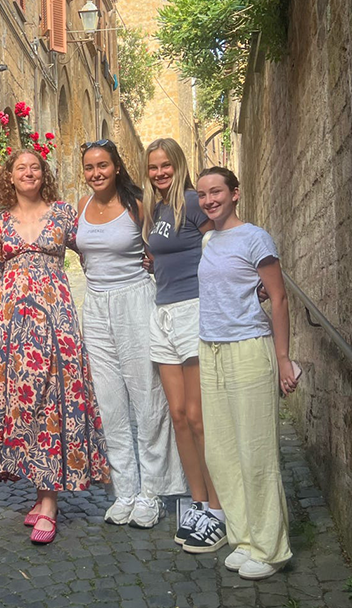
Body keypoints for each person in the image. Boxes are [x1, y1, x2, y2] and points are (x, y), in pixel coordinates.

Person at [0, 149, 109, 545]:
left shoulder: (63, 215)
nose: (28, 173)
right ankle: (40, 495)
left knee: (55, 399)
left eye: (35, 167)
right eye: (20, 167)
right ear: (9, 176)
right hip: (11, 325)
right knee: (23, 402)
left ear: (44, 175)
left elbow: (94, 248)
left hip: (56, 321)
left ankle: (50, 502)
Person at [76, 140, 187, 527]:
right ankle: (124, 490)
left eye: (103, 165)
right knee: (109, 401)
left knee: (147, 397)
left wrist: (154, 262)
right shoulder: (82, 208)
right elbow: (85, 254)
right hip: (96, 305)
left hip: (136, 301)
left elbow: (159, 243)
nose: (96, 173)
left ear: (117, 167)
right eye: (89, 167)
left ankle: (152, 492)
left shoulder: (138, 204)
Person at [196, 166, 298, 578]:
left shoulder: (256, 238)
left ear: (235, 193)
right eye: (203, 194)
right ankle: (244, 537)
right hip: (211, 349)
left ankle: (271, 549)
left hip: (249, 351)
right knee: (221, 452)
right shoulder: (208, 239)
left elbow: (278, 298)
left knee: (257, 453)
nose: (209, 200)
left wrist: (284, 357)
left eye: (216, 191)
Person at [141, 138, 225, 548]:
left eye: (165, 166)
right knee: (177, 414)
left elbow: (217, 244)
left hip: (193, 310)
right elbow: (162, 252)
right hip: (163, 313)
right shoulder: (154, 209)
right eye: (153, 167)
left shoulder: (192, 202)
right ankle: (197, 501)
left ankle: (219, 508)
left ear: (178, 166)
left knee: (197, 416)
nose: (159, 173)